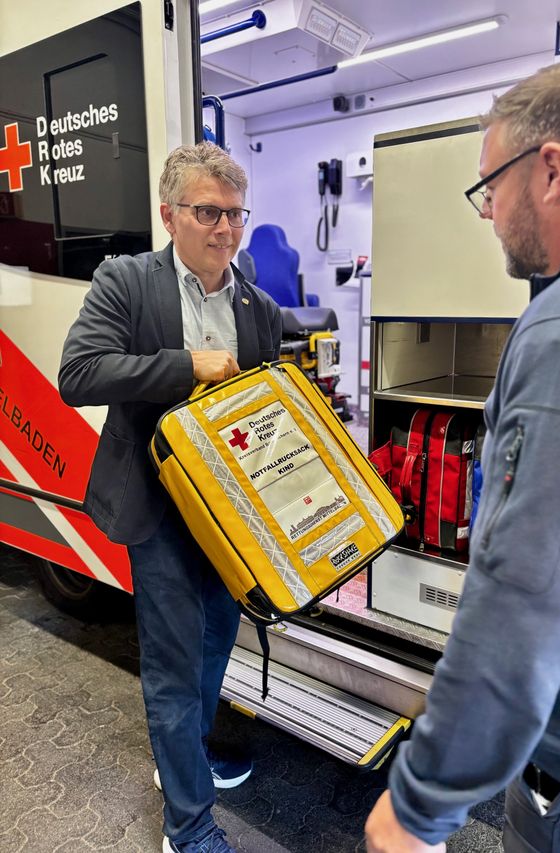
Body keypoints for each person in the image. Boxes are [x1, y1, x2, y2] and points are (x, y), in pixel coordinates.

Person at [365, 52, 560, 853]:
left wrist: (419, 802)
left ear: (551, 170)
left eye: (491, 184)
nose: (487, 211)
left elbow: (524, 598)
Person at [59, 142, 282, 853]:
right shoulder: (127, 281)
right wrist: (187, 366)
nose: (225, 228)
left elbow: (264, 410)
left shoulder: (258, 305)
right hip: (159, 510)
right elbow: (79, 373)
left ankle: (186, 753)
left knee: (215, 641)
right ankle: (187, 825)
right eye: (208, 212)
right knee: (172, 663)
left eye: (236, 214)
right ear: (169, 214)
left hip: (228, 515)